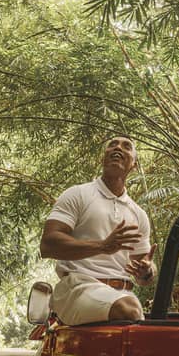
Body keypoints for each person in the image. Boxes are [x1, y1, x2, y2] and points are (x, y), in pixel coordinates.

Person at [39, 135, 154, 324]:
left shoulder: (138, 214)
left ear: (133, 165)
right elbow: (48, 244)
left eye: (126, 146)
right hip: (78, 288)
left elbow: (143, 273)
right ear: (103, 158)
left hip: (123, 294)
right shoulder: (78, 194)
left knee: (136, 317)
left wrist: (147, 271)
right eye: (112, 145)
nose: (118, 148)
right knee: (129, 311)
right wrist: (101, 246)